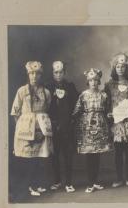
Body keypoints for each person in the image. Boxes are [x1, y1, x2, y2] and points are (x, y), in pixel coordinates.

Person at [10, 61, 53, 197]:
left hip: (41, 127)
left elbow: (48, 109)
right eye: (32, 73)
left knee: (39, 158)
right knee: (28, 158)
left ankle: (37, 184)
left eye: (37, 74)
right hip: (26, 128)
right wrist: (23, 126)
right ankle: (28, 185)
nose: (34, 76)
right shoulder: (21, 91)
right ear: (28, 75)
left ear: (41, 75)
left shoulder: (46, 92)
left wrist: (41, 126)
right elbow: (16, 112)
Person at [104, 53, 128, 188]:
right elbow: (106, 103)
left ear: (127, 68)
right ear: (114, 67)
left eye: (123, 66)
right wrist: (108, 113)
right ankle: (119, 178)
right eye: (118, 66)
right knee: (118, 151)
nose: (120, 69)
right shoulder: (109, 85)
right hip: (117, 123)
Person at [72, 68, 112, 193]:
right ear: (88, 82)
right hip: (87, 126)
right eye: (91, 80)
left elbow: (107, 109)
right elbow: (77, 110)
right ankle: (90, 182)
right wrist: (75, 120)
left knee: (97, 154)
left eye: (96, 80)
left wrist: (109, 115)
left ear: (99, 81)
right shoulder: (83, 95)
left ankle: (95, 181)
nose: (93, 83)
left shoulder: (103, 95)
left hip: (100, 125)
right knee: (89, 155)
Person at [47, 61, 78, 193]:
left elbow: (77, 104)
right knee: (54, 155)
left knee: (68, 155)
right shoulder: (48, 87)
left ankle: (69, 182)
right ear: (53, 73)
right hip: (53, 126)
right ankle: (57, 181)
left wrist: (72, 120)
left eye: (61, 72)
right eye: (56, 72)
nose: (58, 75)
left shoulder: (70, 87)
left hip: (67, 126)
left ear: (64, 72)